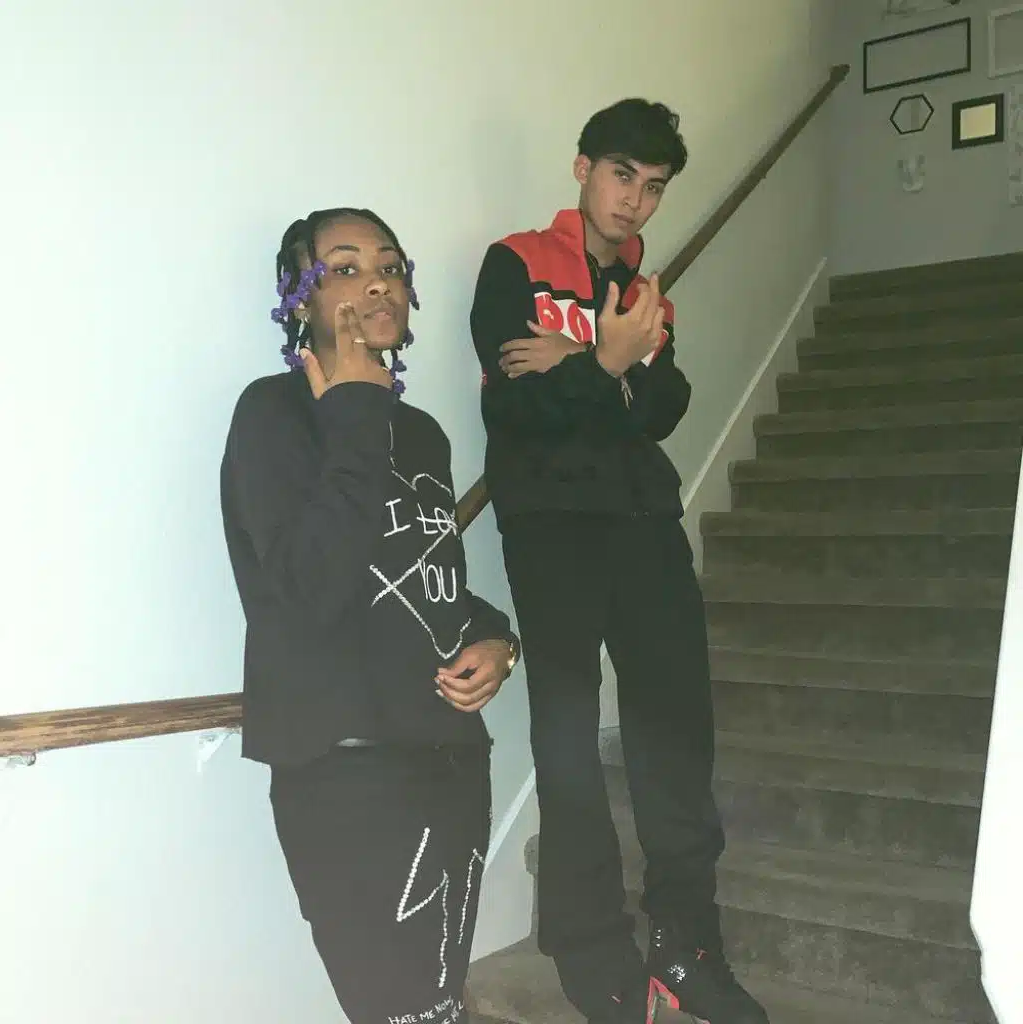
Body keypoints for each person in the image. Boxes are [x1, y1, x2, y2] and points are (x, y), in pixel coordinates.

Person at [469, 101, 769, 1024]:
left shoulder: (649, 298)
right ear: (583, 169)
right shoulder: (516, 262)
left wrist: (585, 362)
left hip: (643, 519)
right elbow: (512, 407)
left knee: (676, 730)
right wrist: (607, 365)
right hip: (550, 522)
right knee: (566, 738)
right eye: (621, 175)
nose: (635, 200)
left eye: (654, 187)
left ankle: (687, 943)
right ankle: (589, 942)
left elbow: (665, 410)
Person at [221, 207, 520, 1024]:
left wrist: (497, 637)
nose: (378, 283)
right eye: (345, 268)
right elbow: (309, 587)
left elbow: (428, 581)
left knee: (439, 1004)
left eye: (389, 265)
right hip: (344, 765)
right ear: (299, 300)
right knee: (394, 1009)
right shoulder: (272, 415)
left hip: (451, 755)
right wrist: (354, 412)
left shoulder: (420, 434)